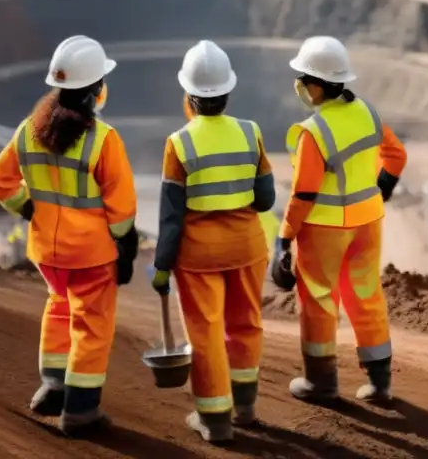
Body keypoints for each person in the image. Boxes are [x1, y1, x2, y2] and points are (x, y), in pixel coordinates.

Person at [0, 35, 138, 436]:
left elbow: (0, 181)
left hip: (47, 253)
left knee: (59, 307)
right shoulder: (104, 140)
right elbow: (121, 207)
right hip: (91, 254)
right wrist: (126, 244)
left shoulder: (28, 131)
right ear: (94, 92)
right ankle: (81, 411)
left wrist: (27, 207)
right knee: (92, 326)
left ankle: (52, 387)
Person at [150, 40, 277, 444]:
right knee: (245, 326)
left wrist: (161, 266)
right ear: (228, 91)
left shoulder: (178, 143)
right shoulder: (250, 133)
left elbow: (171, 217)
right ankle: (246, 408)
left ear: (188, 96)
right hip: (247, 248)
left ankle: (215, 420)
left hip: (198, 256)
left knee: (205, 333)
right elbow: (265, 199)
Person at [270, 36, 407, 404]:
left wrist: (283, 238)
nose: (298, 84)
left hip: (323, 230)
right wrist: (382, 189)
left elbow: (304, 195)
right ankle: (380, 384)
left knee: (318, 301)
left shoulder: (314, 133)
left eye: (302, 77)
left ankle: (322, 384)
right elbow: (396, 156)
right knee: (366, 295)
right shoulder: (367, 112)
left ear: (316, 85)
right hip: (368, 224)